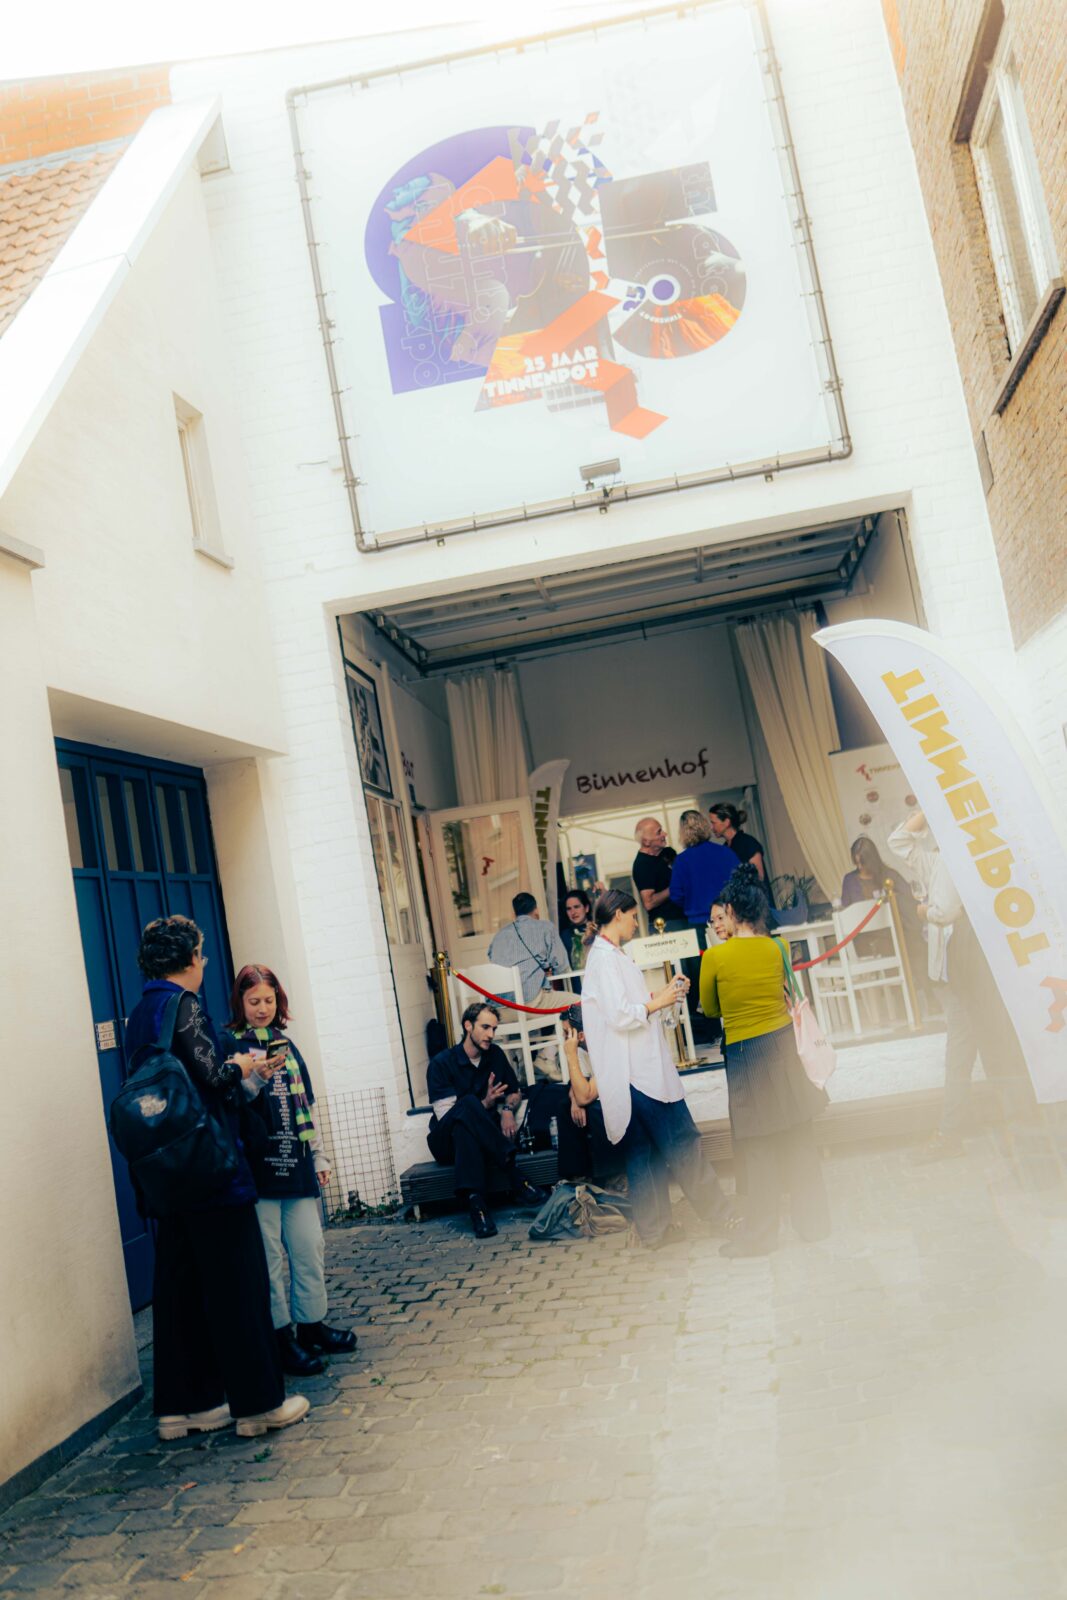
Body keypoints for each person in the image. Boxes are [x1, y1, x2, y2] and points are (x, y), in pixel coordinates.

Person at [122, 916, 309, 1441]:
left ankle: (184, 1408)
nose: (203, 964)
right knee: (239, 1286)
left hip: (168, 1177)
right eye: (200, 955)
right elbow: (215, 1075)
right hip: (212, 1170)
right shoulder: (185, 1005)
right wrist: (246, 1066)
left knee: (179, 1291)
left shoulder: (141, 1013)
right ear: (189, 959)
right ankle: (260, 1406)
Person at [222, 964, 358, 1380]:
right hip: (258, 1170)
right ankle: (280, 1338)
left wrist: (319, 1156)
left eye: (268, 1000)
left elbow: (307, 1106)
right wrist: (256, 1080)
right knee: (267, 1259)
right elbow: (230, 1104)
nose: (262, 1009)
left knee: (308, 1246)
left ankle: (312, 1325)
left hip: (295, 1164)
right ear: (240, 1002)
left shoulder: (287, 1044)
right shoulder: (233, 1047)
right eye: (254, 1001)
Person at [580, 890, 736, 1248]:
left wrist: (661, 995)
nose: (637, 923)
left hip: (631, 1071)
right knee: (683, 1145)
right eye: (633, 916)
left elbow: (625, 1007)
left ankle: (655, 1231)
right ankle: (720, 1215)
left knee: (644, 1155)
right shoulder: (605, 960)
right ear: (618, 915)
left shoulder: (608, 956)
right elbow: (620, 1015)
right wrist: (659, 1002)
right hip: (640, 1072)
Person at [700, 866, 831, 1257]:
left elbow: (710, 1009)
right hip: (783, 1046)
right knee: (798, 1136)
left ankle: (761, 1236)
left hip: (745, 1054)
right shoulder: (777, 948)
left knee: (757, 1147)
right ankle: (814, 1225)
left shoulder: (715, 957)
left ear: (730, 911)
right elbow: (786, 990)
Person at [887, 813, 1031, 1160]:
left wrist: (923, 912)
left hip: (966, 971)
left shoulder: (955, 859)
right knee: (970, 1053)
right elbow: (897, 841)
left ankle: (992, 1131)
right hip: (953, 972)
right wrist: (925, 809)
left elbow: (947, 911)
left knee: (977, 1052)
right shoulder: (936, 859)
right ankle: (986, 1130)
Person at [426, 1003, 547, 1238]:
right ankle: (514, 1174)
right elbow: (446, 1117)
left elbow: (514, 1092)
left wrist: (507, 1110)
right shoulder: (442, 1063)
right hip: (445, 1142)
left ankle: (477, 1207)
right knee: (468, 1106)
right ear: (468, 1026)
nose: (491, 1034)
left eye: (494, 1028)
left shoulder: (495, 1055)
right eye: (485, 1027)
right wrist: (484, 1104)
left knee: (465, 1131)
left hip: (477, 1141)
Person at [526, 1003, 619, 1183]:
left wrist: (570, 1055)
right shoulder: (582, 1049)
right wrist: (575, 1100)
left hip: (624, 1099)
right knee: (565, 1104)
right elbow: (577, 1086)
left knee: (595, 1110)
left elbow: (586, 1096)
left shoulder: (606, 1047)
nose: (564, 1038)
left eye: (566, 1033)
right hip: (597, 1093)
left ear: (580, 1035)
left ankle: (614, 1176)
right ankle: (576, 1175)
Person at [840, 835, 928, 976]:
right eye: (857, 863)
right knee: (890, 945)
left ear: (872, 860)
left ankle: (917, 983)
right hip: (866, 937)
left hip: (896, 932)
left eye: (863, 863)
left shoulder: (889, 875)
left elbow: (909, 900)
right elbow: (846, 910)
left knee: (912, 941)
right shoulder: (850, 881)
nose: (860, 867)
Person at [488, 891, 572, 1008]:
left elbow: (492, 959)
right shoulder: (545, 927)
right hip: (529, 1002)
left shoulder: (499, 935)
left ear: (514, 913)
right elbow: (561, 965)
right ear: (536, 910)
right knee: (581, 1002)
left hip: (499, 1007)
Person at [670, 811, 735, 932]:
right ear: (705, 826)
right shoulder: (725, 852)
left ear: (682, 832)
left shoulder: (681, 861)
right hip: (728, 916)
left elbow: (676, 895)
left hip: (698, 921)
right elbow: (741, 883)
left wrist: (693, 903)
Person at [631, 818, 685, 927]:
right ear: (646, 841)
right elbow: (649, 903)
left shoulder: (665, 854)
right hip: (667, 925)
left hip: (682, 919)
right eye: (659, 832)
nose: (665, 834)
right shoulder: (642, 865)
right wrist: (676, 886)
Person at [709, 803, 768, 882]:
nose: (711, 828)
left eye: (713, 823)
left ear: (727, 822)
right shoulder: (725, 848)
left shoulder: (748, 842)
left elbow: (759, 878)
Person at [562, 888, 595, 972]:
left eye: (576, 907)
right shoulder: (565, 935)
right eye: (569, 909)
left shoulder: (597, 929)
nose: (573, 912)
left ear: (586, 908)